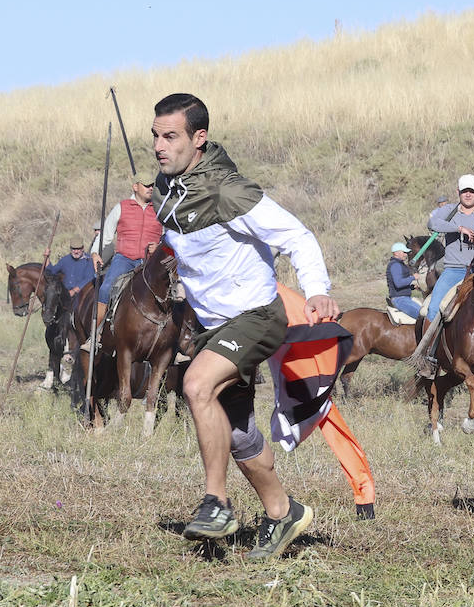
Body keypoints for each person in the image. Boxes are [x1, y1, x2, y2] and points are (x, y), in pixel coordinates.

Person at [151, 92, 337, 559]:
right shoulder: (165, 188)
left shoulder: (227, 189)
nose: (159, 145)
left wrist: (315, 289)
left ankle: (217, 503)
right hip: (213, 326)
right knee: (235, 432)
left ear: (199, 139)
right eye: (155, 135)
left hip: (257, 317)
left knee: (196, 385)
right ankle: (283, 513)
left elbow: (297, 235)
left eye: (170, 136)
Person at [81, 178, 163, 351]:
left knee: (174, 291)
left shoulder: (160, 208)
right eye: (146, 185)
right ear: (135, 187)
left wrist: (160, 245)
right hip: (125, 258)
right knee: (106, 288)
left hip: (151, 262)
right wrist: (95, 252)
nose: (150, 188)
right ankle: (96, 334)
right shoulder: (122, 207)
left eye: (152, 185)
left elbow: (171, 236)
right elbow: (106, 234)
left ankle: (178, 345)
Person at [425, 174, 474, 324]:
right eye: (465, 191)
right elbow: (432, 223)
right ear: (458, 192)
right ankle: (429, 346)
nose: (468, 194)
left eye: (472, 191)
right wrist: (458, 228)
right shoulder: (449, 210)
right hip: (453, 270)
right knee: (433, 309)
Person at [386, 241, 421, 319]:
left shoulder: (399, 264)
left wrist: (411, 287)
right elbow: (398, 283)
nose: (406, 254)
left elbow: (399, 283)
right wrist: (413, 277)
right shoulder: (395, 265)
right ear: (396, 253)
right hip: (400, 299)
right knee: (422, 316)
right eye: (404, 252)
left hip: (403, 298)